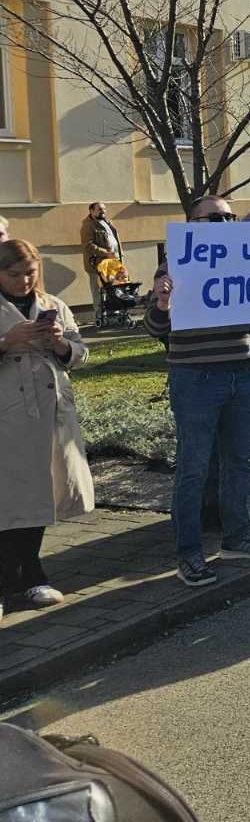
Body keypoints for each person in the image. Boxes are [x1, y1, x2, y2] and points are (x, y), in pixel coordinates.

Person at [147, 196, 250, 586]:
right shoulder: (173, 264)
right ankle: (189, 554)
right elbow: (155, 329)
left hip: (242, 374)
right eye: (215, 217)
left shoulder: (244, 259)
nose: (224, 223)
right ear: (191, 223)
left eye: (229, 217)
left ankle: (236, 536)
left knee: (237, 462)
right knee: (194, 468)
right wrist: (163, 301)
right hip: (196, 379)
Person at [0, 239, 89, 621]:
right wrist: (6, 342)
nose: (23, 281)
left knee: (41, 496)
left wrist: (61, 345)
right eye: (13, 274)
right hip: (10, 415)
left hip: (51, 413)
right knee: (9, 501)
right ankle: (8, 582)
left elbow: (81, 352)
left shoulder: (55, 305)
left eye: (30, 272)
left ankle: (31, 575)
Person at [79, 202, 121, 327]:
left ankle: (113, 312)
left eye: (104, 209)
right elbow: (88, 245)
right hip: (96, 264)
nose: (103, 211)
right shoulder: (88, 226)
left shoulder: (107, 223)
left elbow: (115, 241)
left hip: (112, 262)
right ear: (91, 211)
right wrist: (106, 253)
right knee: (97, 290)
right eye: (99, 209)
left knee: (113, 288)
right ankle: (99, 314)